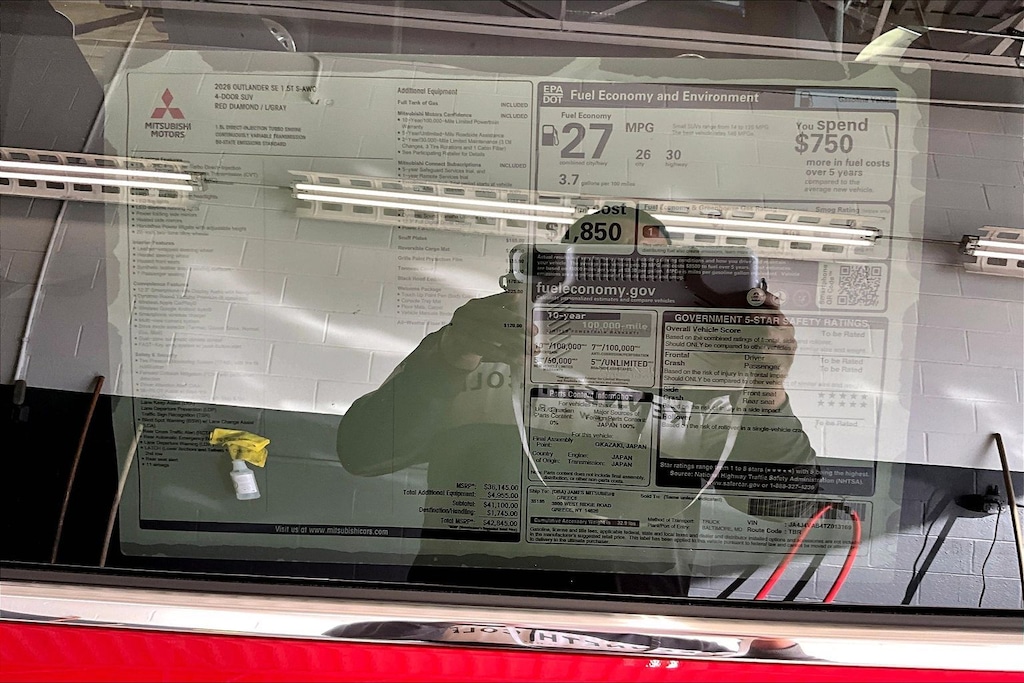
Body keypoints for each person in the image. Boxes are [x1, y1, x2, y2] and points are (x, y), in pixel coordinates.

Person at [337, 207, 818, 594]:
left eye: (650, 270)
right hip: (472, 613)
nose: (627, 281)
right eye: (599, 263)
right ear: (557, 269)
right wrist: (450, 355)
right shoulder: (476, 344)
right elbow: (364, 453)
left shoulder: (710, 379)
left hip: (629, 630)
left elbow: (781, 505)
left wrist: (766, 385)